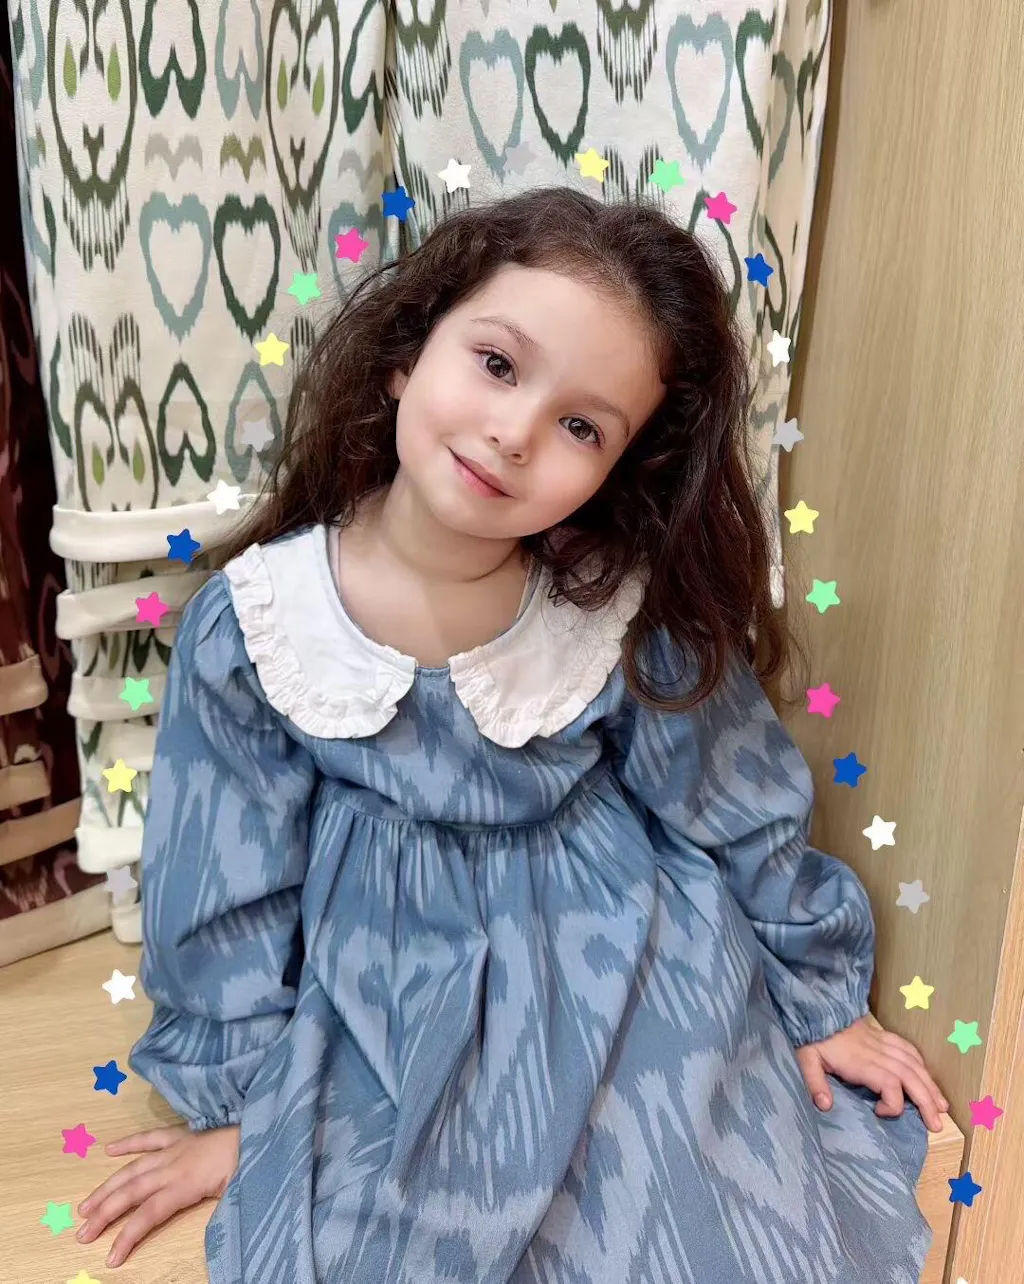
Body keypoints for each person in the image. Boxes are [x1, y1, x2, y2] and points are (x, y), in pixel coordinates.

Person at [76, 187, 946, 1282]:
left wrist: (819, 1001)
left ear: (618, 467)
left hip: (617, 947)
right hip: (387, 981)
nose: (514, 433)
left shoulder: (613, 613)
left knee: (687, 1203)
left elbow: (731, 791)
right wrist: (243, 1106)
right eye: (496, 364)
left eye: (582, 427)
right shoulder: (256, 624)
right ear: (405, 355)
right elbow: (222, 887)